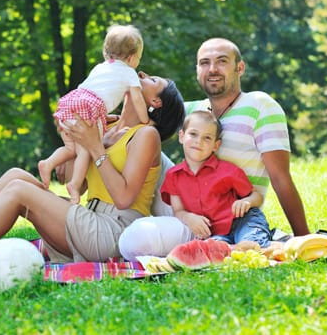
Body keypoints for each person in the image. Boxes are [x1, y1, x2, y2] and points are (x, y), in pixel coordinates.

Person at [0, 71, 185, 279]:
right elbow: (76, 184)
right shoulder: (106, 126)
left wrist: (95, 148)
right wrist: (73, 141)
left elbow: (123, 198)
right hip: (90, 219)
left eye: (152, 80)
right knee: (14, 176)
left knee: (21, 193)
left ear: (155, 103)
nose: (141, 74)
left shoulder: (146, 136)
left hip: (114, 233)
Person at [119, 37, 310, 261]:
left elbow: (280, 178)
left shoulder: (260, 105)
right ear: (197, 70)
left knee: (137, 238)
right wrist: (117, 117)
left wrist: (304, 238)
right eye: (204, 63)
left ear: (240, 68)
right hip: (186, 212)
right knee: (147, 147)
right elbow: (152, 103)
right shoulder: (194, 111)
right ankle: (114, 220)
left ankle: (238, 244)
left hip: (229, 218)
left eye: (221, 61)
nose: (212, 69)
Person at [39, 24, 149, 205]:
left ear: (107, 53)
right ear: (131, 58)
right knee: (85, 151)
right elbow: (136, 99)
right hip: (89, 107)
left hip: (70, 103)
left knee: (71, 149)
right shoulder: (129, 73)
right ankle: (74, 185)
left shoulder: (100, 67)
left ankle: (48, 163)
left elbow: (94, 90)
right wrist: (144, 120)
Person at [160, 110, 271, 247]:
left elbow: (257, 196)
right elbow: (178, 211)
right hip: (214, 233)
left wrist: (247, 202)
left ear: (216, 145)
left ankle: (259, 243)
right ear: (181, 136)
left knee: (251, 243)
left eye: (207, 138)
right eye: (193, 134)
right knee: (214, 251)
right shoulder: (173, 175)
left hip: (242, 221)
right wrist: (189, 218)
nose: (198, 141)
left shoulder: (228, 171)